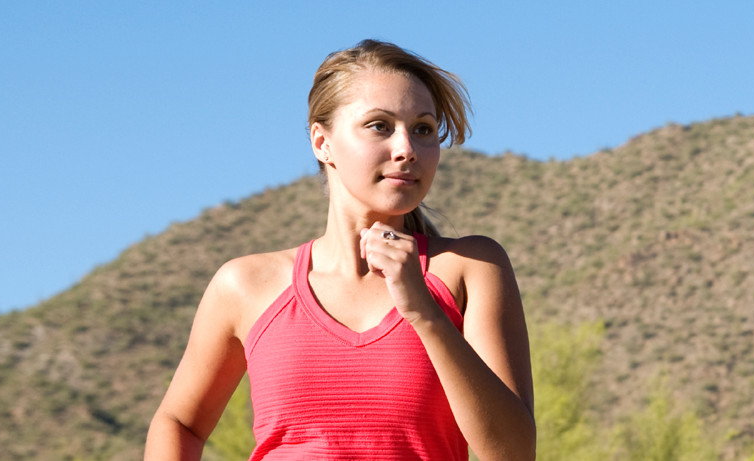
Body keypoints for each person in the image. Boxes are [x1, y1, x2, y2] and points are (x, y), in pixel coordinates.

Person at [146, 39, 534, 460]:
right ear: (321, 142)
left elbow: (513, 453)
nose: (407, 149)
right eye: (379, 126)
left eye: (423, 129)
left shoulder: (469, 268)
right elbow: (179, 424)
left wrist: (424, 313)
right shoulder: (244, 286)